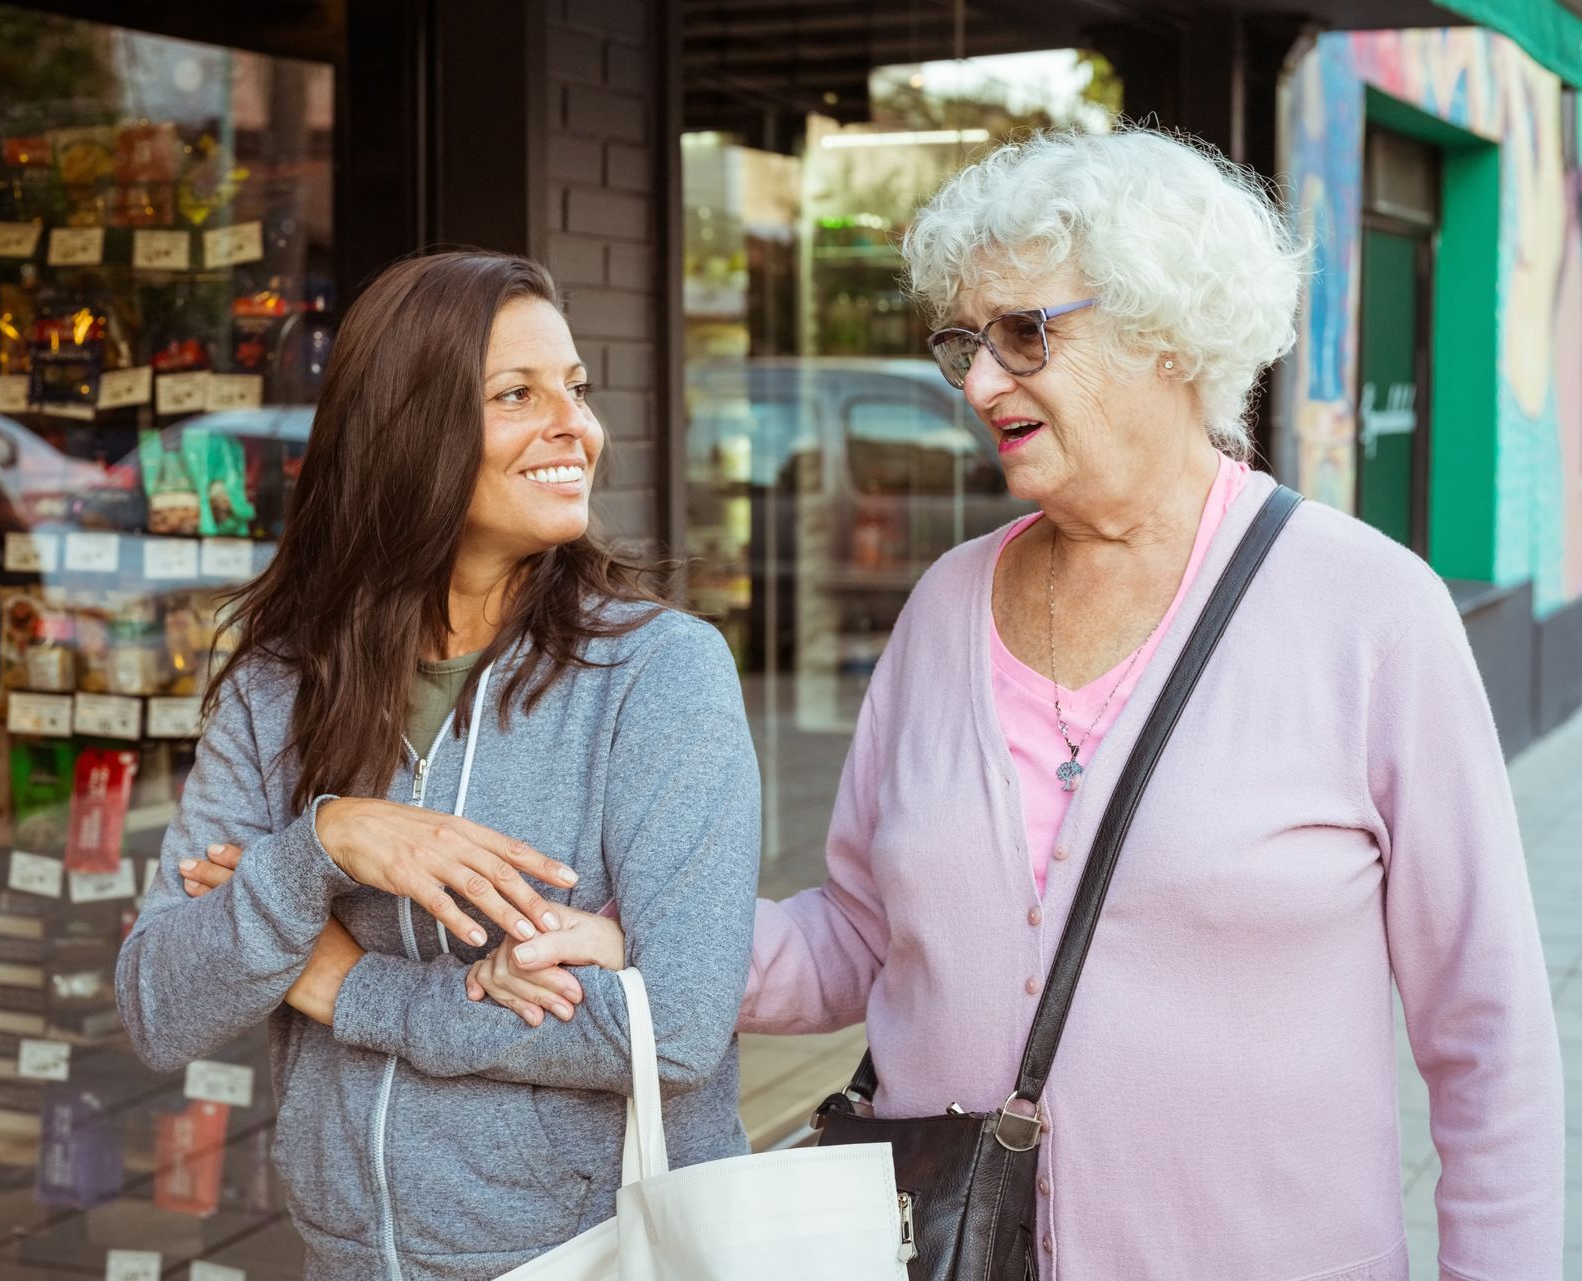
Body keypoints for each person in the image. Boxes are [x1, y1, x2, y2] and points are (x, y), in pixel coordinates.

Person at [469, 128, 1565, 1279]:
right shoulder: (945, 607)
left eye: (1025, 334)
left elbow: (1487, 1037)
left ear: (1167, 336)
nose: (980, 382)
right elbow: (854, 939)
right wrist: (648, 941)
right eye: (964, 343)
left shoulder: (1371, 612)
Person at [116, 250, 762, 1281]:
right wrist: (323, 845)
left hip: (593, 1255)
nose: (575, 428)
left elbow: (676, 1026)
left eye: (576, 390)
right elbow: (158, 1004)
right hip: (349, 1257)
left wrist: (347, 985)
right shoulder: (278, 687)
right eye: (519, 394)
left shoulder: (656, 674)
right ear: (407, 430)